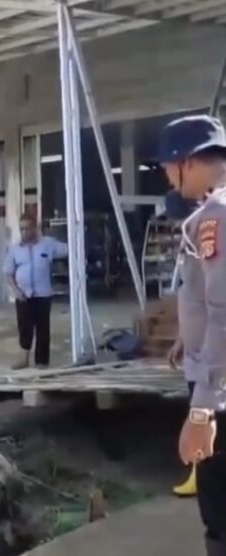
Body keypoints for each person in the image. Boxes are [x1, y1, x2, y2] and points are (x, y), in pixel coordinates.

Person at [157, 114, 226, 556]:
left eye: (166, 165)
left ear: (187, 162)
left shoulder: (215, 217)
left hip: (220, 391)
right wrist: (188, 333)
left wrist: (202, 412)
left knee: (220, 513)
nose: (165, 175)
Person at [3, 214, 69, 369]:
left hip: (43, 294)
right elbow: (8, 272)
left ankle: (41, 362)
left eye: (27, 228)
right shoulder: (14, 249)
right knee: (24, 328)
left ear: (35, 228)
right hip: (23, 295)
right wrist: (16, 291)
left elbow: (68, 249)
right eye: (21, 229)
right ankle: (24, 359)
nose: (24, 232)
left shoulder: (48, 244)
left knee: (43, 329)